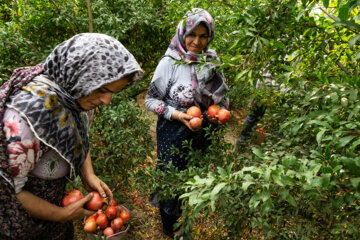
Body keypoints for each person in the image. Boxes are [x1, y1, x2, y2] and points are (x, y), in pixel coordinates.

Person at [0, 33, 144, 240]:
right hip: (21, 223)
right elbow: (11, 192)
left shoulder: (75, 96)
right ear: (80, 75)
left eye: (113, 92)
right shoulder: (27, 119)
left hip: (53, 214)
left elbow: (77, 134)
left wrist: (88, 174)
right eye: (103, 90)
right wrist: (61, 214)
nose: (107, 101)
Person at [145, 8, 229, 239]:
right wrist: (178, 115)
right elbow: (151, 101)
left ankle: (185, 218)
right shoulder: (169, 63)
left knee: (192, 178)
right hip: (173, 130)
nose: (196, 41)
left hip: (203, 130)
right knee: (170, 178)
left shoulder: (212, 61)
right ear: (183, 33)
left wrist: (218, 112)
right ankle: (169, 227)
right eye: (192, 34)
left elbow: (222, 96)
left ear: (210, 36)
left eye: (203, 36)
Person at [236, 69, 289, 145]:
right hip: (280, 90)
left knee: (254, 115)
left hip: (263, 85)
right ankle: (273, 147)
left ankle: (243, 139)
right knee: (278, 120)